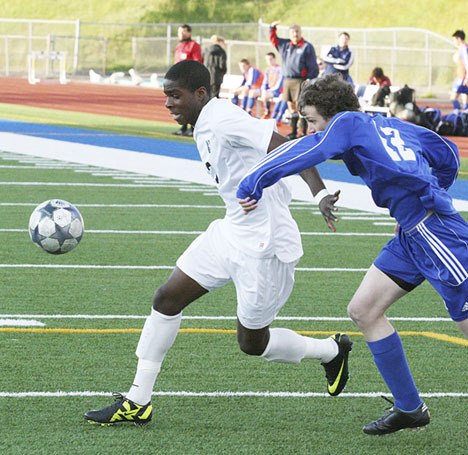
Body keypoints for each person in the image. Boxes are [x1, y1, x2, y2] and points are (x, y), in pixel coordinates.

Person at [84, 61, 352, 426]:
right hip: (230, 231)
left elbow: (287, 146)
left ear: (200, 93)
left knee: (251, 343)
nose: (168, 104)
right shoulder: (203, 124)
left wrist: (319, 193)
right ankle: (138, 399)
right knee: (167, 298)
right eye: (166, 97)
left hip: (265, 245)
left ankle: (330, 350)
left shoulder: (222, 116)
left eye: (174, 96)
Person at [237, 74, 468, 435]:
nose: (310, 127)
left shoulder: (345, 123)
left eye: (312, 120)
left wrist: (253, 181)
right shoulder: (384, 124)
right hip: (412, 233)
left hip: (437, 235)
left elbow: (304, 150)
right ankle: (410, 408)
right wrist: (422, 197)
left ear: (332, 114)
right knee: (364, 310)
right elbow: (446, 154)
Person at [270, 21, 319, 139]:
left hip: (300, 80)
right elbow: (274, 40)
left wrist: (309, 79)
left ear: (300, 32)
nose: (295, 34)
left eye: (297, 32)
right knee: (291, 106)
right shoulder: (285, 45)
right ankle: (293, 131)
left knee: (300, 106)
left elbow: (312, 65)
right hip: (288, 80)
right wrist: (272, 28)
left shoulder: (307, 46)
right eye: (292, 32)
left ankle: (302, 131)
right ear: (289, 34)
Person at [173, 24, 203, 136]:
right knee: (180, 104)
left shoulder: (194, 46)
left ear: (189, 33)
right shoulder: (179, 46)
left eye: (183, 32)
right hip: (179, 80)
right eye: (179, 32)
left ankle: (192, 128)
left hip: (190, 80)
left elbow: (197, 62)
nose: (180, 34)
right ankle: (183, 127)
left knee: (191, 104)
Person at [259, 52, 284, 118]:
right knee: (263, 94)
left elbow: (279, 84)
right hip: (270, 91)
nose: (269, 61)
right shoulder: (268, 69)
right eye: (267, 60)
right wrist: (264, 89)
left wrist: (269, 91)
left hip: (278, 91)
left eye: (270, 59)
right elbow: (265, 82)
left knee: (265, 96)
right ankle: (267, 112)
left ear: (274, 59)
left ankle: (270, 114)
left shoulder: (280, 69)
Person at [450, 29, 468, 111]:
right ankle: (465, 115)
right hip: (462, 77)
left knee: (453, 98)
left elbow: (467, 63)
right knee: (465, 97)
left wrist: (467, 77)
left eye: (454, 40)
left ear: (459, 39)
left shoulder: (464, 49)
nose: (453, 42)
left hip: (462, 78)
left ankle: (457, 114)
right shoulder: (463, 48)